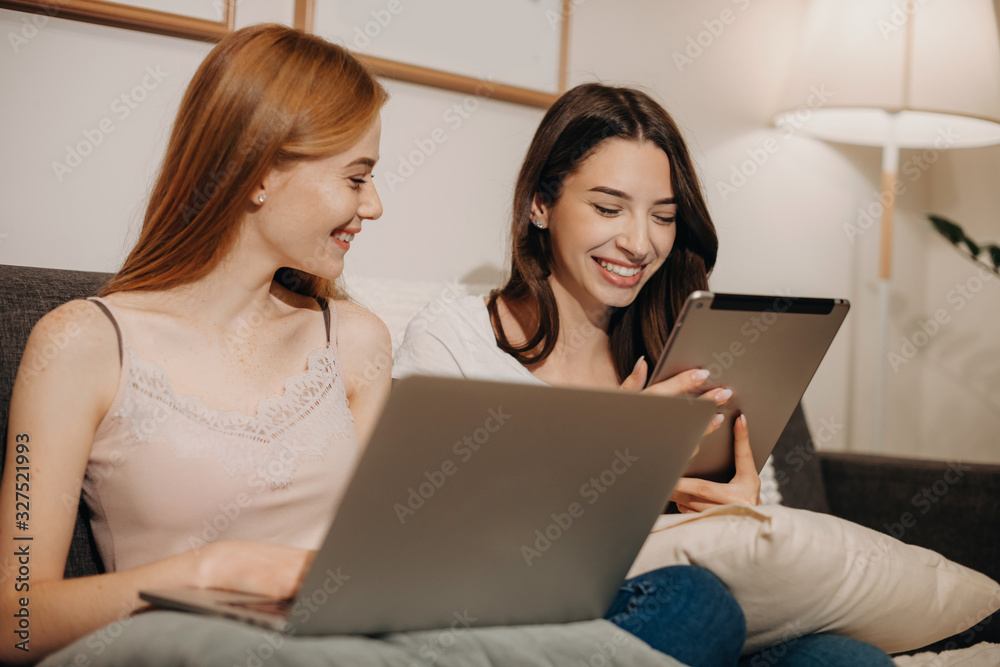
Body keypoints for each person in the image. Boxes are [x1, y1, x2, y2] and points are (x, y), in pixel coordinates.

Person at [0, 27, 744, 666]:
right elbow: (15, 618)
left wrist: (612, 466)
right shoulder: (78, 345)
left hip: (369, 637)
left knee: (700, 605)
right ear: (259, 172)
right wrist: (215, 569)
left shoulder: (353, 340)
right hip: (204, 643)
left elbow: (415, 543)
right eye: (357, 177)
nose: (375, 205)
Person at [393, 83, 895, 666]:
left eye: (663, 217)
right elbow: (417, 541)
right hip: (531, 621)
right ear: (539, 203)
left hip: (678, 608)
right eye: (608, 209)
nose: (639, 243)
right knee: (695, 607)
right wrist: (597, 467)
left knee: (846, 660)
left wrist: (740, 513)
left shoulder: (676, 350)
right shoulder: (455, 340)